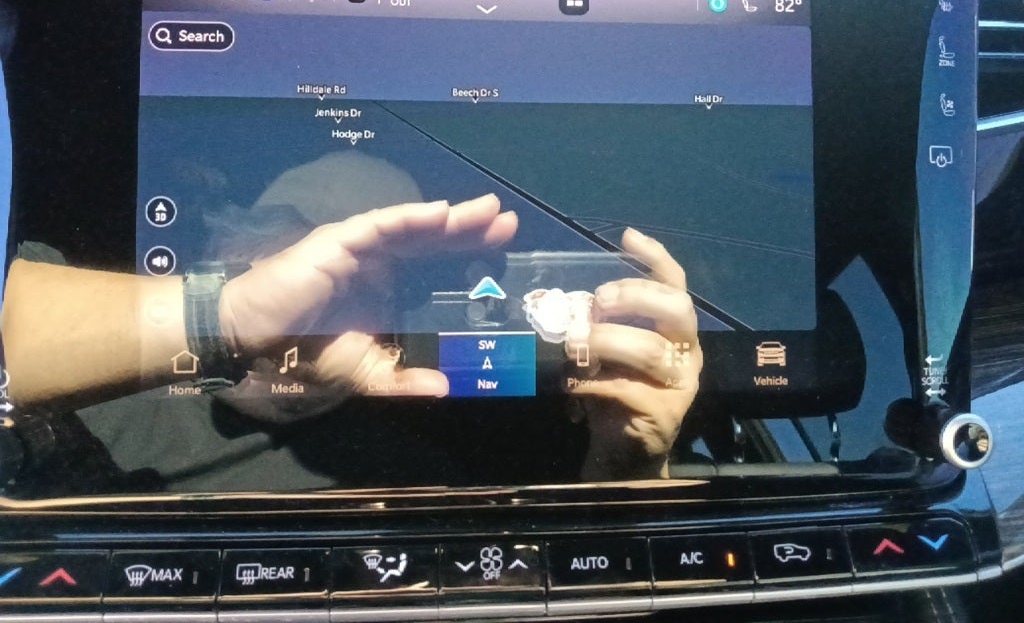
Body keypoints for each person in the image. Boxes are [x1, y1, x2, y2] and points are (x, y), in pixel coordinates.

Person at [1, 189, 701, 484]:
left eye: (374, 278)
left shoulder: (416, 480)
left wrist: (627, 468)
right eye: (298, 243)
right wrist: (219, 319)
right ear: (218, 246)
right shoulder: (49, 294)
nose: (325, 294)